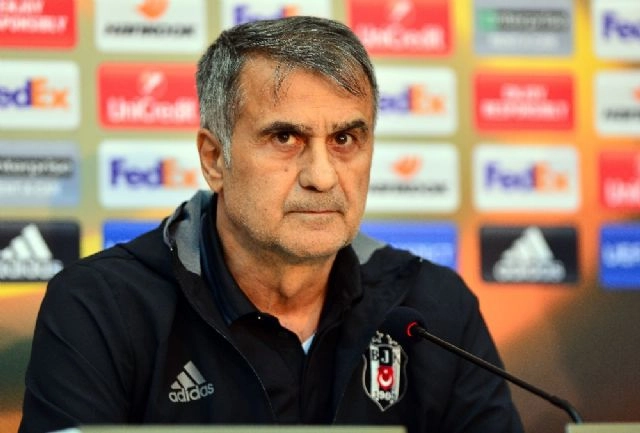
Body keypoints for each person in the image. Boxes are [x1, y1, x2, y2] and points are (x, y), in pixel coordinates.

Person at [19, 16, 523, 433]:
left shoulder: (433, 309)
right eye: (285, 138)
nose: (322, 177)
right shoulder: (101, 307)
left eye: (345, 139)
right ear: (214, 159)